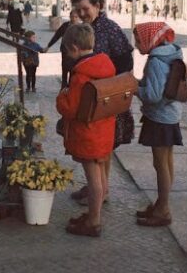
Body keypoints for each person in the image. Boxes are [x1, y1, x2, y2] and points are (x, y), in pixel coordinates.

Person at [71, 0, 134, 205]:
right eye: (78, 10)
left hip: (105, 99)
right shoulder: (86, 28)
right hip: (91, 98)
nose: (82, 13)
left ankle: (101, 192)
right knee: (93, 148)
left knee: (102, 149)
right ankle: (94, 187)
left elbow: (126, 62)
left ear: (98, 5)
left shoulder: (110, 29)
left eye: (85, 9)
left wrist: (109, 87)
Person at [56, 24, 116, 237]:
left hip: (88, 134)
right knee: (99, 176)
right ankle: (93, 215)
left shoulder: (81, 75)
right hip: (104, 130)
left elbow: (70, 108)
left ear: (74, 48)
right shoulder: (106, 67)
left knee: (93, 180)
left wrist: (62, 95)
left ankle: (93, 221)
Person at [133, 22, 182, 227]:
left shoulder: (156, 61)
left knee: (160, 164)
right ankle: (161, 204)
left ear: (150, 39)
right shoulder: (171, 53)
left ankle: (163, 210)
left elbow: (152, 95)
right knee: (167, 162)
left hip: (160, 117)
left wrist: (135, 87)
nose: (136, 45)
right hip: (171, 115)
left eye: (138, 40)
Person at [45, 9, 81, 88]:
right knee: (65, 70)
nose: (74, 18)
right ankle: (63, 88)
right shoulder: (65, 26)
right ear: (70, 17)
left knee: (73, 71)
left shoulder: (81, 28)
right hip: (65, 52)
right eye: (72, 17)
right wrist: (48, 46)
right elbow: (56, 36)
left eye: (76, 17)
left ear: (79, 18)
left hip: (76, 53)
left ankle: (71, 88)